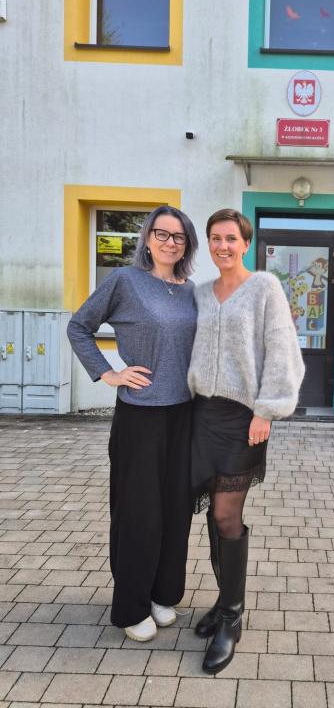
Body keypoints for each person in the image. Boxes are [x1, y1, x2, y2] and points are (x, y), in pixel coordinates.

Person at [67, 205, 198, 642]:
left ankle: (162, 594)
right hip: (140, 416)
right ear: (147, 237)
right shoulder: (124, 281)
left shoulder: (190, 291)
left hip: (184, 414)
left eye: (178, 236)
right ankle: (131, 606)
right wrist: (108, 373)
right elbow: (79, 327)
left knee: (175, 511)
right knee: (140, 513)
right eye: (161, 233)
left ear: (187, 244)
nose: (169, 242)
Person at [187, 208, 305, 674]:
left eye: (231, 238)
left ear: (245, 243)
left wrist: (266, 410)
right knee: (211, 513)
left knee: (225, 513)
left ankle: (232, 618)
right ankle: (223, 602)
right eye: (216, 238)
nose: (223, 246)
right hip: (200, 415)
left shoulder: (264, 287)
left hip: (242, 419)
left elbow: (282, 349)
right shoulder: (200, 292)